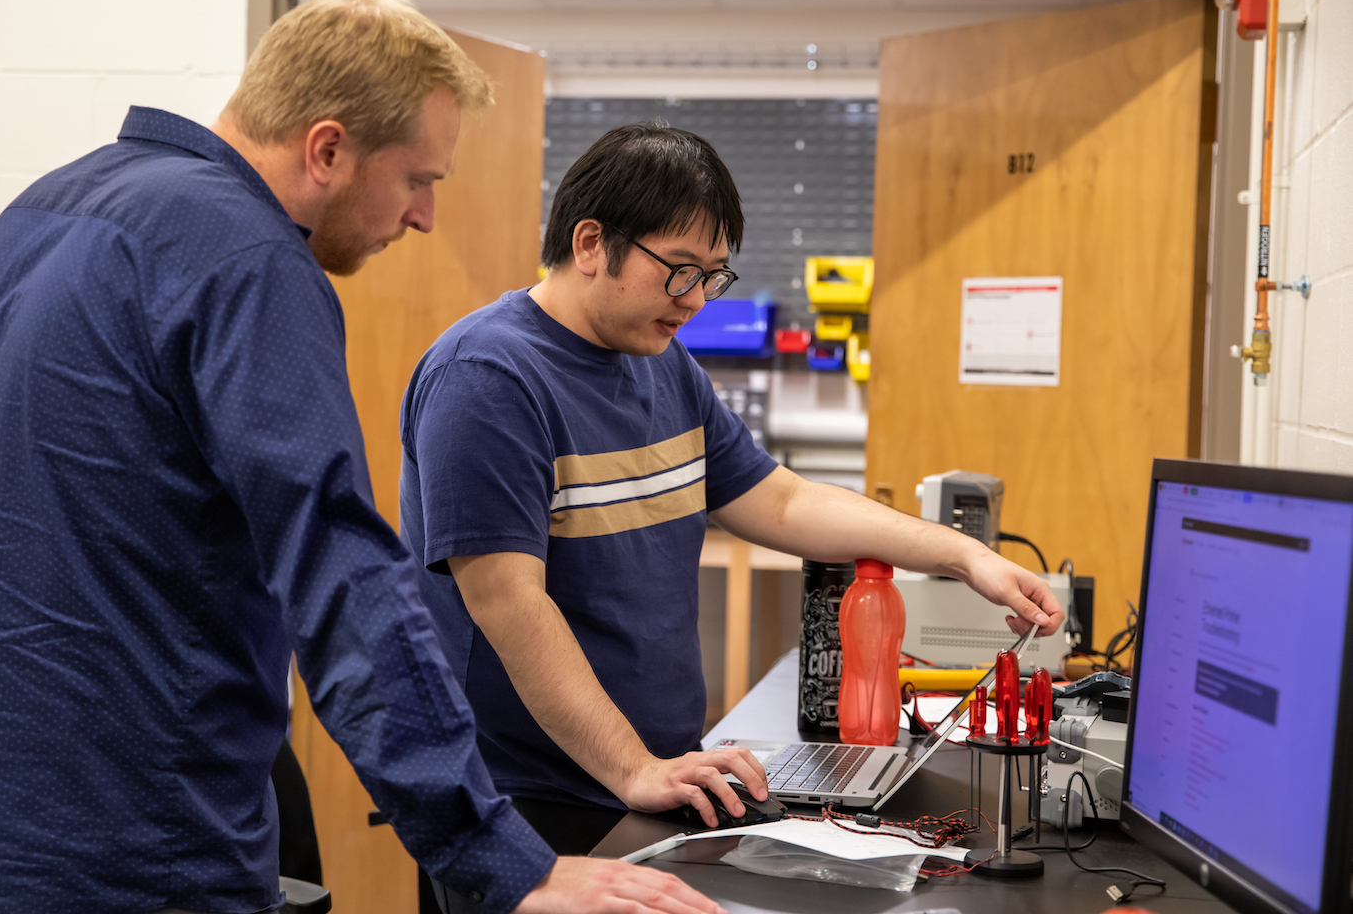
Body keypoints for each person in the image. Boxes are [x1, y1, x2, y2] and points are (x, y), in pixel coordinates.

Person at [0, 0, 727, 914]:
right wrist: (497, 858)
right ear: (327, 149)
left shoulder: (38, 215)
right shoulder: (245, 259)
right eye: (417, 180)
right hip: (130, 852)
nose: (425, 217)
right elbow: (344, 578)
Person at [399, 122, 1067, 856]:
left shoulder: (661, 362)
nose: (696, 299)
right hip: (522, 805)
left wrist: (964, 557)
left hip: (648, 781)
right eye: (679, 269)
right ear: (590, 243)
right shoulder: (487, 378)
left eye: (713, 276)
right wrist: (634, 768)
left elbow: (781, 501)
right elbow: (509, 602)